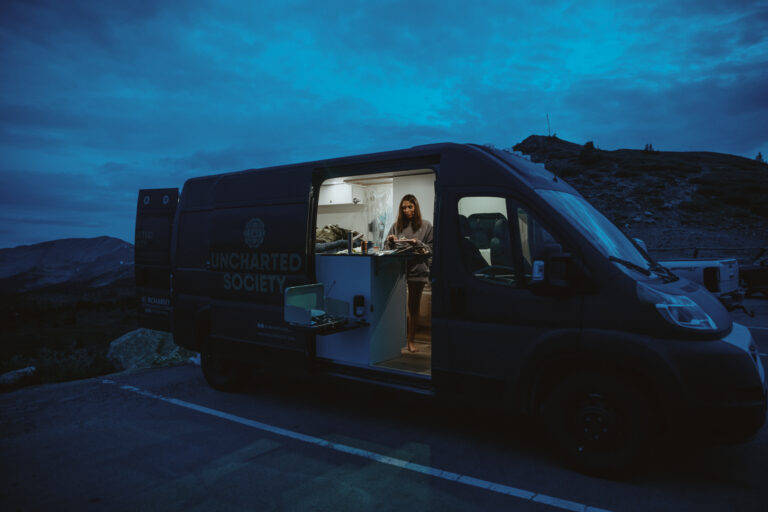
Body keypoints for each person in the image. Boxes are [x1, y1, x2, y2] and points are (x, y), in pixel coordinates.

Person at [385, 194, 433, 353]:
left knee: (413, 306)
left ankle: (411, 341)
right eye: (404, 207)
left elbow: (431, 250)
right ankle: (392, 339)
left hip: (418, 271)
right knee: (394, 306)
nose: (406, 210)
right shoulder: (396, 226)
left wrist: (417, 243)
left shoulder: (426, 226)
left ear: (416, 207)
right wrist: (390, 241)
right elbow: (386, 248)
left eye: (410, 207)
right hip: (398, 271)